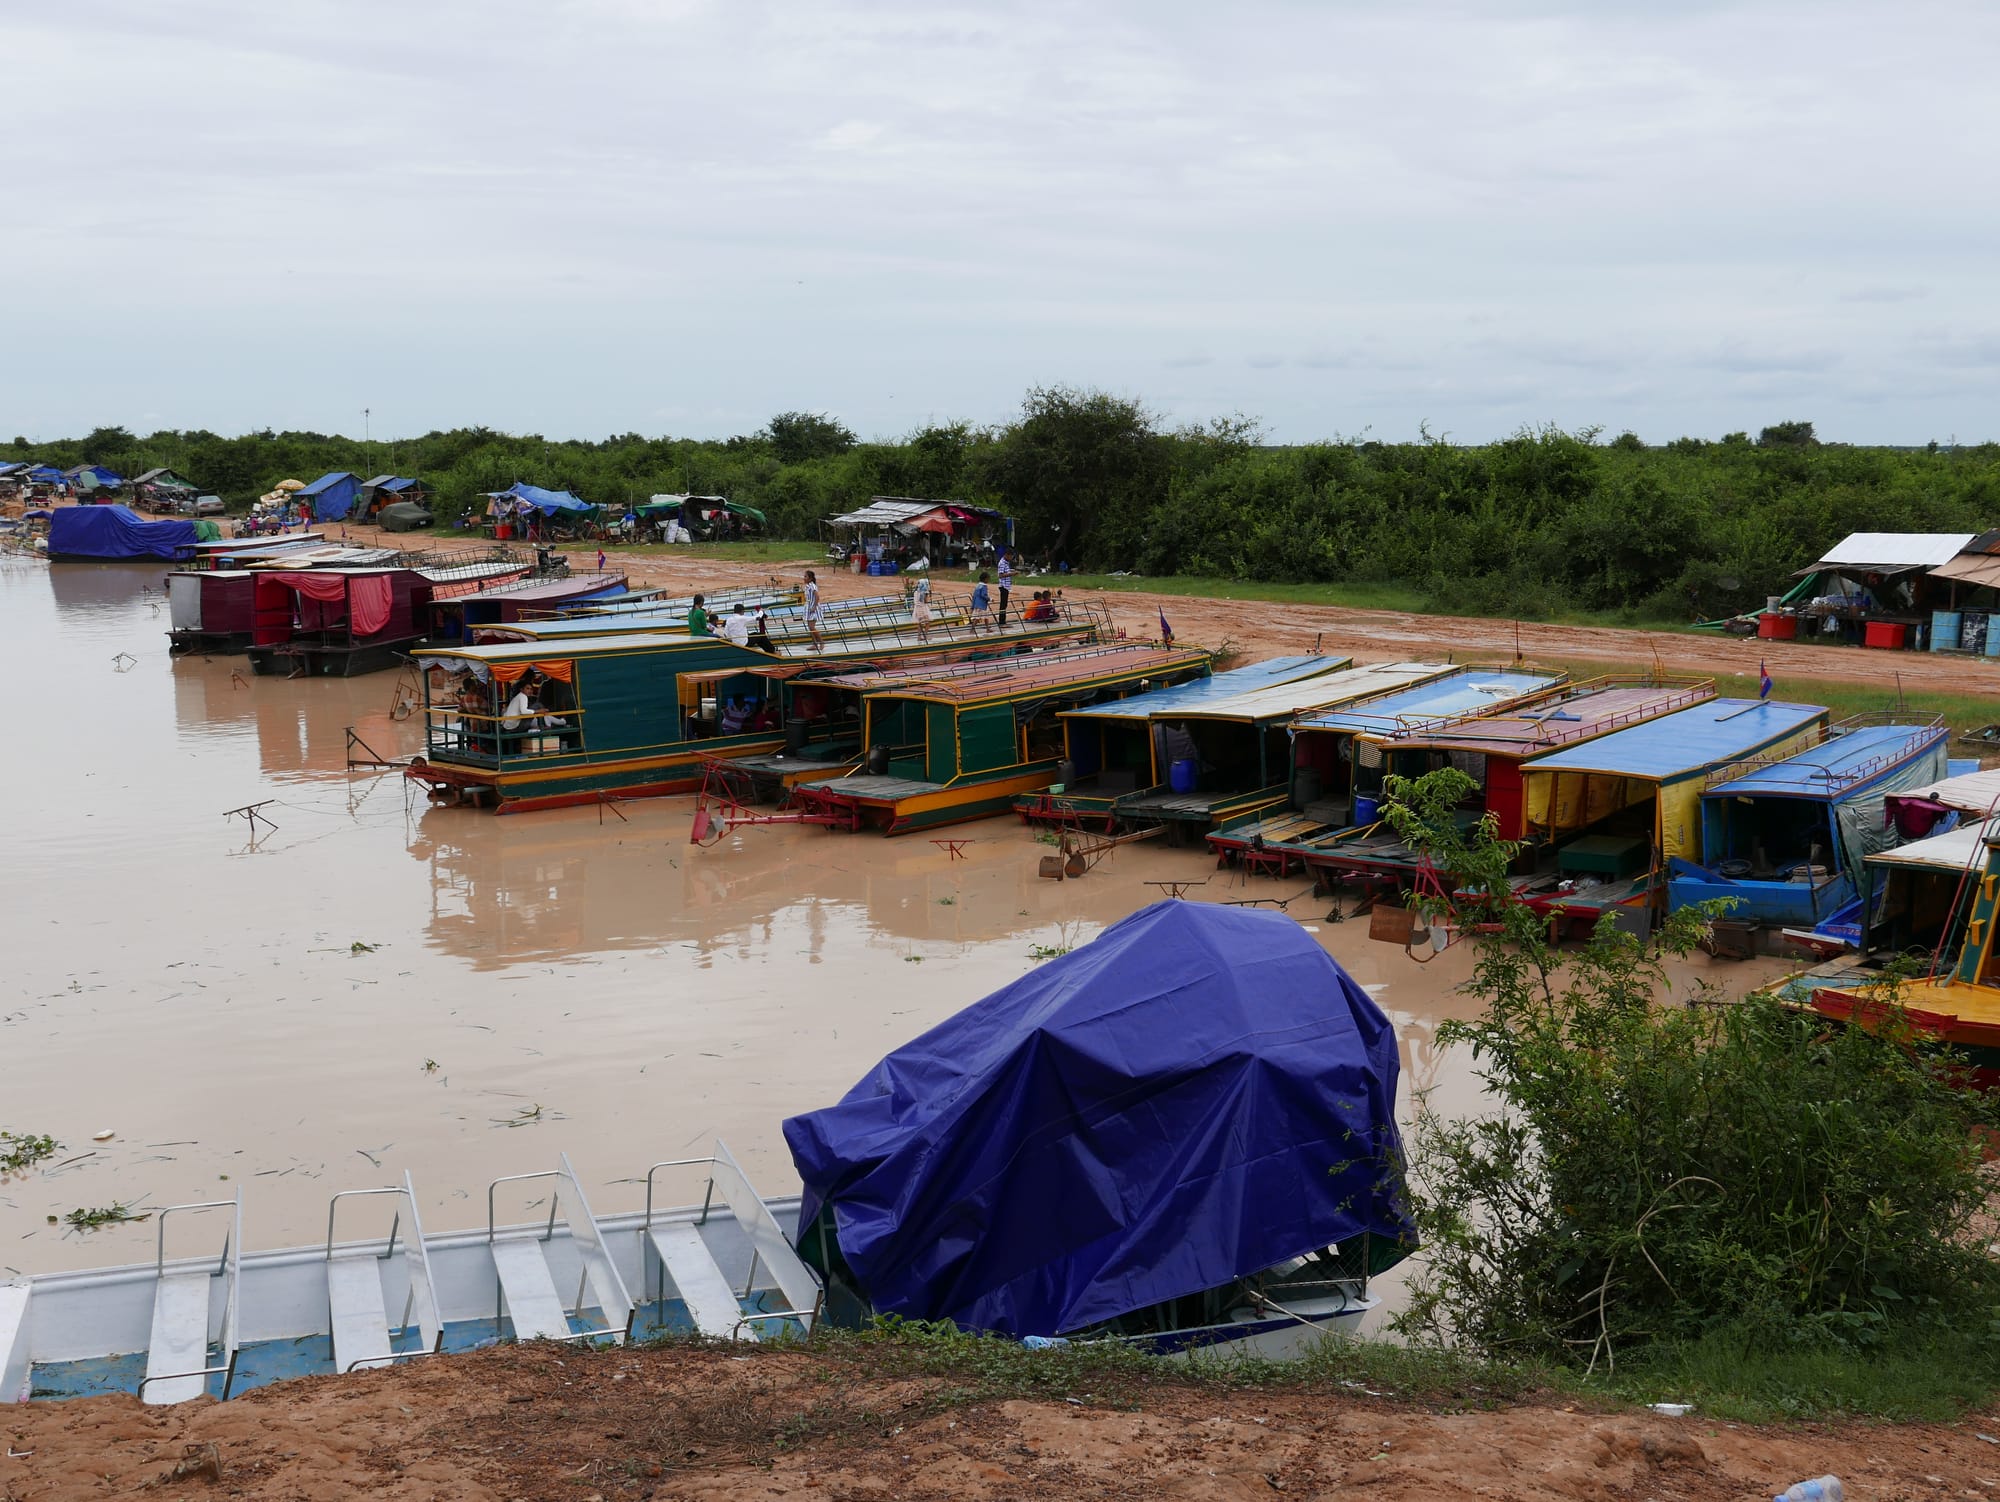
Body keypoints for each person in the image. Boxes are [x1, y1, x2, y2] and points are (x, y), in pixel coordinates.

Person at [804, 569, 825, 650]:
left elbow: (817, 596)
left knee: (812, 627)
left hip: (813, 608)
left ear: (810, 578)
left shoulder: (812, 586)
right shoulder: (807, 586)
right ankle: (814, 644)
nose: (804, 578)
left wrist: (814, 607)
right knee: (809, 627)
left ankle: (821, 642)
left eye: (806, 576)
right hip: (808, 607)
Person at [996, 549, 1013, 626]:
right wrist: (1011, 574)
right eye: (1011, 557)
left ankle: (1003, 621)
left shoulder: (1006, 563)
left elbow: (1006, 572)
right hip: (1003, 586)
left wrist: (1011, 571)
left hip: (1006, 586)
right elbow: (1000, 575)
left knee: (1004, 604)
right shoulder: (1002, 563)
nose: (1011, 558)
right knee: (1003, 604)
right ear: (1007, 555)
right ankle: (1002, 622)